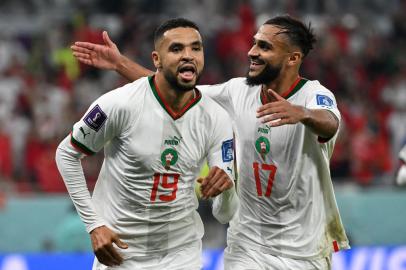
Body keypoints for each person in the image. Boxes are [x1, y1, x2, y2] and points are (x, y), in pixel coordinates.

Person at [71, 15, 350, 269]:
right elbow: (172, 87)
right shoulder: (238, 91)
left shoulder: (314, 94)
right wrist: (120, 64)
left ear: (292, 58)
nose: (252, 52)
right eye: (254, 44)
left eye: (264, 47)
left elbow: (330, 121)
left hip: (304, 250)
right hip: (248, 244)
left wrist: (302, 114)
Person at [56, 18, 239, 270]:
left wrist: (227, 188)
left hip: (181, 255)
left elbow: (225, 213)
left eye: (195, 48)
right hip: (120, 254)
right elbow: (66, 154)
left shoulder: (216, 118)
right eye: (176, 49)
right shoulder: (120, 104)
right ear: (156, 59)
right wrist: (94, 224)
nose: (188, 55)